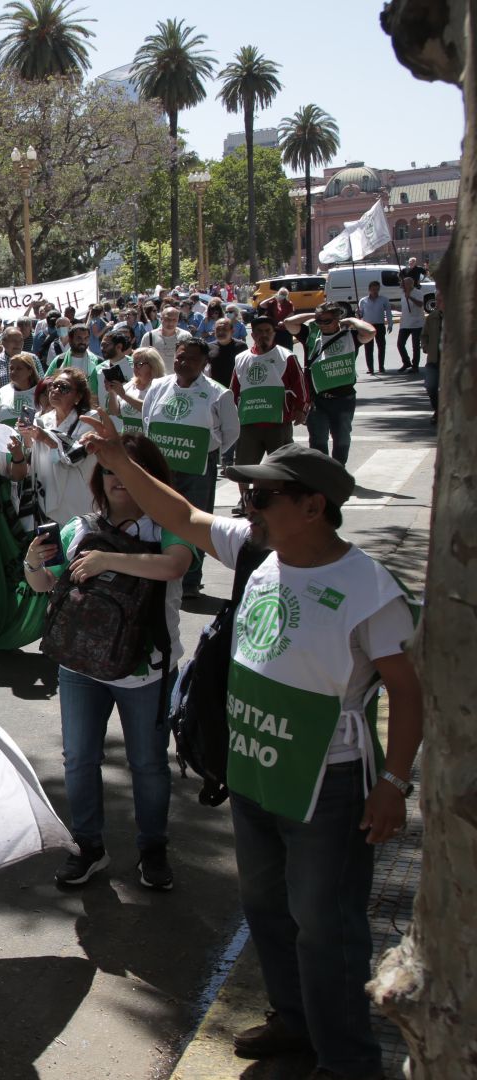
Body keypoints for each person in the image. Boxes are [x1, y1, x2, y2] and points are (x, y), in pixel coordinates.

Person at [79, 420, 420, 1080]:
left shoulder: (369, 589)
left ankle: (349, 1062)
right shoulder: (257, 549)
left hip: (326, 785)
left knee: (327, 926)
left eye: (262, 497)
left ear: (313, 507)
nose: (247, 508)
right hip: (256, 770)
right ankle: (295, 1022)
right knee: (267, 908)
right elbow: (181, 515)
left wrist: (394, 784)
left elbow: (407, 692)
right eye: (247, 497)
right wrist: (119, 456)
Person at [25, 432, 194, 889]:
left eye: (131, 469)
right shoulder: (78, 528)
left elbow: (175, 566)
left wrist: (106, 560)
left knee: (149, 764)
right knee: (79, 759)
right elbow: (45, 586)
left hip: (147, 670)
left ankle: (152, 850)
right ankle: (88, 847)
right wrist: (33, 563)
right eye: (110, 470)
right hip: (80, 666)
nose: (119, 478)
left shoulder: (170, 523)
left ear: (151, 477)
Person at [136, 338, 240, 596]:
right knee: (154, 517)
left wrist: (206, 451)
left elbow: (230, 432)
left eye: (192, 359)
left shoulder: (218, 393)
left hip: (198, 469)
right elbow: (147, 420)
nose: (184, 362)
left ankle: (191, 581)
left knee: (195, 521)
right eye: (180, 357)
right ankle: (153, 573)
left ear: (204, 363)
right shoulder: (158, 387)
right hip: (161, 467)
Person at [283, 305, 377, 465]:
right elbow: (288, 323)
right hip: (317, 400)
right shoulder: (311, 336)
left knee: (342, 438)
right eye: (319, 321)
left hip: (344, 399)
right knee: (318, 440)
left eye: (327, 321)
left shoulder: (350, 337)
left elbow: (370, 332)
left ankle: (339, 470)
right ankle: (323, 473)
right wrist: (313, 315)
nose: (322, 324)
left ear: (337, 319)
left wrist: (351, 320)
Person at [24, 368, 100, 529]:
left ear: (78, 397)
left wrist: (46, 438)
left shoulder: (90, 418)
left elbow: (75, 457)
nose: (56, 390)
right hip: (46, 500)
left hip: (78, 501)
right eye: (54, 385)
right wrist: (26, 436)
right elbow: (34, 458)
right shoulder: (42, 420)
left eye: (64, 388)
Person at [229, 319, 307, 468]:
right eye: (259, 331)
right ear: (253, 335)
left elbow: (300, 385)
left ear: (274, 334)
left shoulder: (286, 356)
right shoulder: (241, 358)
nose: (263, 335)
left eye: (267, 331)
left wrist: (301, 408)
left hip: (278, 423)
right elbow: (234, 390)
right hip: (248, 423)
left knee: (282, 468)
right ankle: (246, 486)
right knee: (244, 468)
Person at [356, 281, 390, 374]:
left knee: (381, 346)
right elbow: (360, 315)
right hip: (367, 326)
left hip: (380, 325)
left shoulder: (384, 299)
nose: (375, 291)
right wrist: (358, 313)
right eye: (373, 289)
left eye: (377, 289)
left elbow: (388, 312)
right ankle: (370, 368)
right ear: (369, 290)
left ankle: (381, 367)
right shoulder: (363, 301)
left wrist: (390, 324)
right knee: (368, 348)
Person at [0, 352, 41, 426]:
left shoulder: (41, 392)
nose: (13, 371)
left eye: (19, 369)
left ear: (30, 371)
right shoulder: (1, 392)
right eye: (11, 368)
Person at [396, 274, 428, 371]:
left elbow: (420, 304)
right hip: (405, 323)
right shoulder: (403, 294)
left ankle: (415, 366)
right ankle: (406, 362)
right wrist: (393, 307)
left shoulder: (418, 292)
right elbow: (404, 308)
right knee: (400, 344)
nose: (402, 285)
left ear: (410, 284)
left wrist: (410, 297)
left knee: (415, 346)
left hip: (417, 323)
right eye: (402, 284)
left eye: (404, 284)